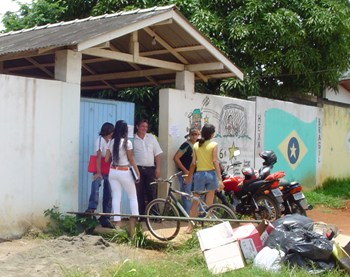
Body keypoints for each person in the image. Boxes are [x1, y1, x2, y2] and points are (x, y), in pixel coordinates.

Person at [184, 123, 224, 233]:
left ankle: (190, 226)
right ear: (211, 134)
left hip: (199, 175)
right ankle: (207, 225)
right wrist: (220, 179)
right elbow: (215, 161)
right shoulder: (214, 145)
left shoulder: (196, 145)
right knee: (209, 202)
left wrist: (188, 177)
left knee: (195, 201)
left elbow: (193, 164)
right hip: (211, 174)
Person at [105, 120, 140, 227]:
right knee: (132, 196)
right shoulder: (127, 143)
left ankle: (117, 223)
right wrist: (137, 172)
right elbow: (131, 159)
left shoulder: (111, 142)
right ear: (125, 130)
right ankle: (134, 222)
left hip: (113, 171)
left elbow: (106, 159)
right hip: (124, 171)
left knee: (116, 196)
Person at [85, 122, 114, 228]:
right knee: (96, 184)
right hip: (99, 166)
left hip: (108, 168)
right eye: (111, 132)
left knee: (108, 191)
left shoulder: (110, 141)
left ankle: (106, 215)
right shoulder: (100, 140)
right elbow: (98, 157)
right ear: (107, 131)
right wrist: (98, 172)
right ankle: (92, 207)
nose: (112, 134)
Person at [133, 119, 163, 215]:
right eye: (142, 126)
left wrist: (158, 168)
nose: (144, 128)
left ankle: (154, 215)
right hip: (138, 169)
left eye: (146, 126)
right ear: (137, 127)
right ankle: (141, 215)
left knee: (152, 192)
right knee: (139, 193)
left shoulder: (151, 138)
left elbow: (157, 154)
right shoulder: (132, 139)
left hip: (150, 169)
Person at [173, 127, 199, 215]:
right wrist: (185, 171)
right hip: (186, 173)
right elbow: (176, 158)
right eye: (193, 134)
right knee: (186, 194)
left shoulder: (199, 145)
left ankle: (196, 214)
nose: (194, 136)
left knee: (197, 193)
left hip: (196, 173)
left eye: (196, 134)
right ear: (189, 135)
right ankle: (187, 215)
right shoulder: (186, 145)